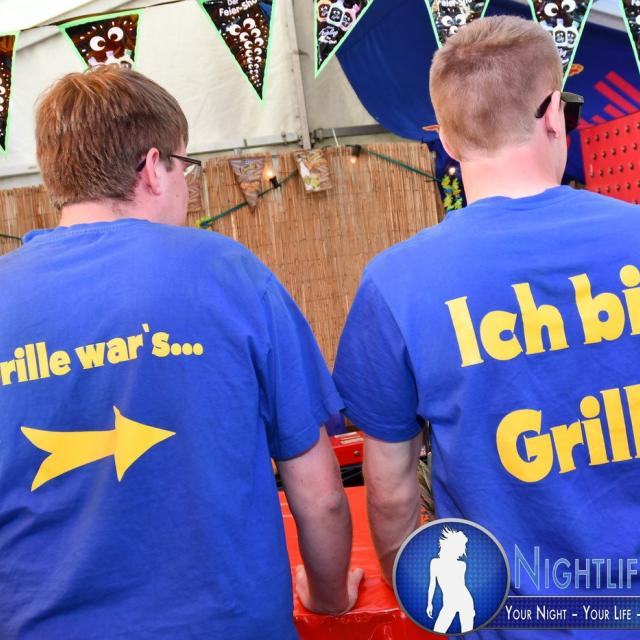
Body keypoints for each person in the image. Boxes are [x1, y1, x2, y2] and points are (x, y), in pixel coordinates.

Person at [0, 65, 362, 639]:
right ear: (152, 167)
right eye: (184, 166)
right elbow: (320, 496)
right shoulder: (228, 271)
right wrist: (328, 595)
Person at [333, 14, 640, 640]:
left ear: (446, 139)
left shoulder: (397, 282)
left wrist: (412, 587)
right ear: (552, 114)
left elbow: (391, 491)